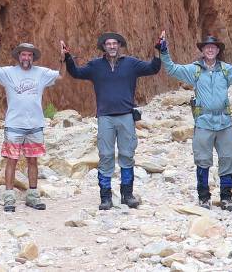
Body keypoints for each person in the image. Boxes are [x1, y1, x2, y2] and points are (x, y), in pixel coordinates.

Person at [157, 31, 232, 211]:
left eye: (213, 47)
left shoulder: (226, 70)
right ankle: (204, 197)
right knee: (203, 160)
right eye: (207, 47)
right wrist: (164, 51)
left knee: (227, 159)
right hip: (203, 122)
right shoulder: (194, 70)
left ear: (218, 50)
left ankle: (226, 197)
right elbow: (172, 69)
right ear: (203, 50)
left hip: (224, 121)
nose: (210, 50)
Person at [61, 32, 160, 210]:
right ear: (103, 47)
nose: (112, 46)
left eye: (115, 43)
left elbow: (153, 68)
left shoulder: (131, 64)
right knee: (105, 156)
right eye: (108, 44)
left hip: (126, 116)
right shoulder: (95, 66)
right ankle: (105, 197)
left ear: (119, 45)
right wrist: (67, 57)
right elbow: (76, 73)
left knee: (127, 155)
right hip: (105, 117)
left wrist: (160, 51)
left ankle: (127, 195)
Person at [0, 42, 60, 212]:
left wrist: (63, 59)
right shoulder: (8, 72)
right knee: (11, 161)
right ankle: (9, 197)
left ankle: (33, 196)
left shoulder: (41, 73)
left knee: (33, 160)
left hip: (35, 125)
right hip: (14, 124)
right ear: (18, 56)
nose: (26, 58)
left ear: (33, 57)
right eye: (23, 55)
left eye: (29, 55)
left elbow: (61, 76)